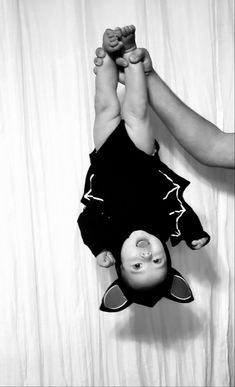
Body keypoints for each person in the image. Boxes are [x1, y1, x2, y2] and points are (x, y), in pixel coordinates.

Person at [78, 26, 210, 312]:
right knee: (137, 110)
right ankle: (130, 56)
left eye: (137, 265)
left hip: (107, 157)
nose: (146, 253)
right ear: (167, 256)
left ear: (119, 264)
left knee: (104, 107)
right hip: (141, 156)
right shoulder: (161, 227)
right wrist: (193, 234)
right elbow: (180, 211)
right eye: (158, 260)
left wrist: (98, 248)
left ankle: (108, 60)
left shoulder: (109, 236)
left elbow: (86, 219)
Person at [94, 47, 234, 169]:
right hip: (124, 177)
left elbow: (213, 147)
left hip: (117, 178)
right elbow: (213, 146)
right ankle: (118, 57)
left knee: (121, 112)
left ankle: (115, 57)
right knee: (125, 113)